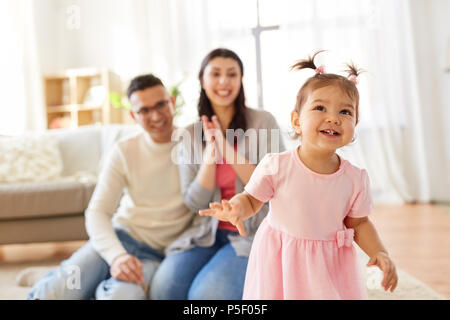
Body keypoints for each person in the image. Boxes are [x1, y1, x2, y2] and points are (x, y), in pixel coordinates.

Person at [199, 51, 399, 300]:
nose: (333, 118)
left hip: (330, 263)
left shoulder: (355, 178)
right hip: (281, 259)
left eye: (345, 112)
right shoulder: (277, 166)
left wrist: (379, 252)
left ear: (355, 124)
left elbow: (358, 223)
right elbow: (251, 199)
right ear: (296, 121)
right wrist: (235, 209)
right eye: (320, 107)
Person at [27, 74, 194, 299]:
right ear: (133, 115)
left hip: (155, 255)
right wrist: (116, 256)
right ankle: (57, 277)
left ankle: (83, 281)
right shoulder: (124, 150)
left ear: (172, 102)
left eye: (160, 105)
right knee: (59, 290)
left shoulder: (194, 146)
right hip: (118, 239)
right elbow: (97, 212)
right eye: (144, 110)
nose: (155, 116)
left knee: (122, 296)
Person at [150, 48, 286, 300]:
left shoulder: (263, 122)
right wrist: (210, 156)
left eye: (232, 74)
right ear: (202, 80)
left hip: (250, 233)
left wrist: (225, 145)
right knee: (164, 290)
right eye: (216, 74)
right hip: (205, 232)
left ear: (240, 80)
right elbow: (195, 202)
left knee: (205, 297)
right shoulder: (190, 135)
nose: (224, 81)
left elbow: (273, 186)